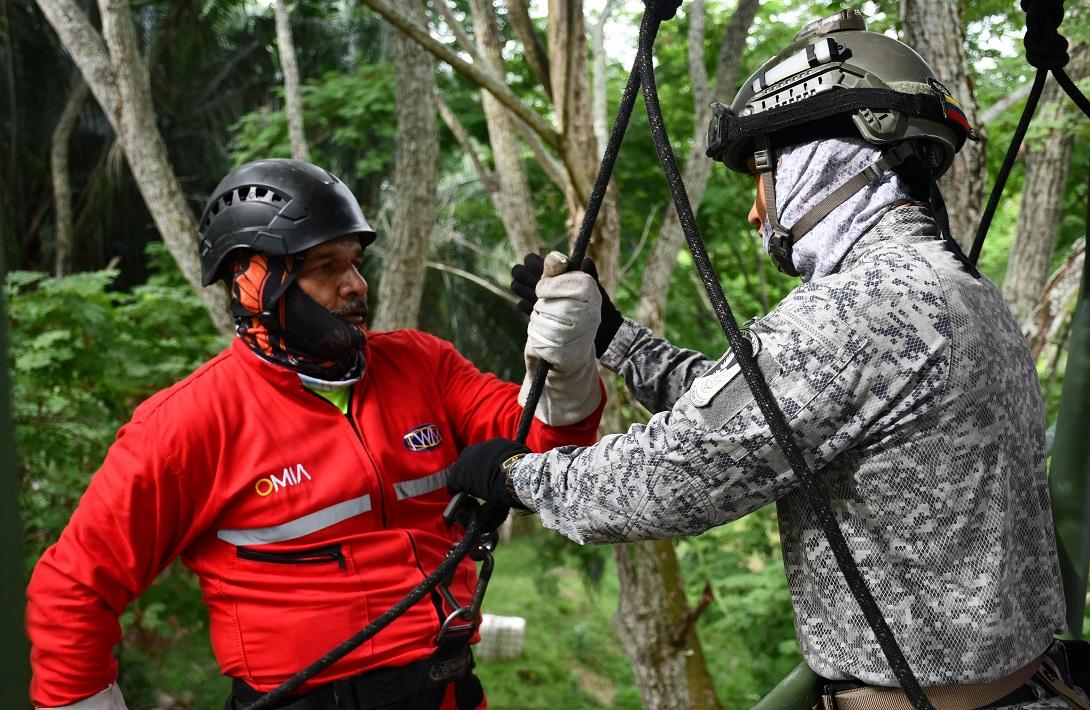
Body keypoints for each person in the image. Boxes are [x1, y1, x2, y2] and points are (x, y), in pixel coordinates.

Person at [448, 11, 1088, 709]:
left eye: (764, 170)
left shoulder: (860, 309)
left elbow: (672, 476)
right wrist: (615, 337)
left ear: (828, 158)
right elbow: (767, 413)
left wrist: (515, 475)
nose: (758, 212)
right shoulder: (956, 289)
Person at [25, 158, 606, 710]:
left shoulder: (421, 365)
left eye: (355, 263)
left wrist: (570, 361)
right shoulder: (187, 424)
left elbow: (546, 454)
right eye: (325, 267)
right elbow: (72, 591)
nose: (355, 285)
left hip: (448, 689)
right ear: (251, 281)